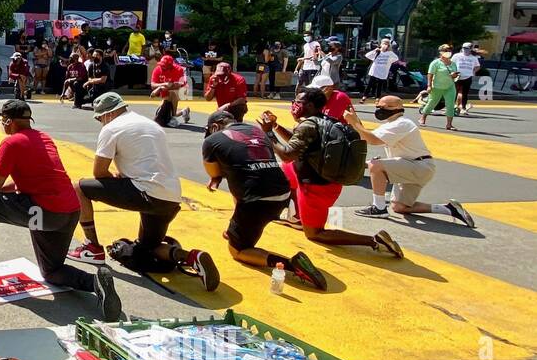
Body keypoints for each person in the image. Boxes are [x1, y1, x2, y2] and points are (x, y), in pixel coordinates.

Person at [0, 99, 121, 318]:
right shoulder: (43, 137)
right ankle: (96, 282)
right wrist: (13, 190)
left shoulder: (11, 143)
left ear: (8, 121)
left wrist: (3, 192)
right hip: (69, 211)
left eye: (2, 120)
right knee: (52, 271)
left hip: (44, 212)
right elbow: (40, 179)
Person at [69, 92, 219, 290]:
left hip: (145, 193)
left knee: (78, 187)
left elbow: (99, 172)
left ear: (106, 114)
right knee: (148, 248)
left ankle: (92, 246)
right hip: (171, 198)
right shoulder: (150, 125)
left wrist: (117, 176)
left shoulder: (111, 128)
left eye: (99, 118)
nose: (100, 122)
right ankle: (191, 257)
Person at [258, 89, 404, 257]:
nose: (293, 105)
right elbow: (298, 145)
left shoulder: (308, 125)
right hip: (326, 181)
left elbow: (286, 154)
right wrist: (276, 127)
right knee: (287, 171)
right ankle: (298, 217)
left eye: (297, 102)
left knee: (315, 233)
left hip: (316, 187)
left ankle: (374, 240)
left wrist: (268, 133)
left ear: (310, 105)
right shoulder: (324, 121)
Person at [202, 109, 327, 290]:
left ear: (215, 126)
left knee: (238, 250)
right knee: (239, 178)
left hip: (258, 202)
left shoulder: (212, 140)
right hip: (282, 194)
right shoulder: (257, 131)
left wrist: (216, 177)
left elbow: (213, 172)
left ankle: (292, 264)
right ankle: (236, 226)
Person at [346, 98, 475, 226]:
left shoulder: (401, 124)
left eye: (382, 108)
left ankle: (378, 208)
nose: (379, 111)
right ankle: (448, 209)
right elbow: (366, 135)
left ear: (395, 108)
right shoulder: (391, 124)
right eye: (378, 107)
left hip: (418, 166)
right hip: (415, 167)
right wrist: (356, 122)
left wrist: (354, 123)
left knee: (376, 165)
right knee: (399, 207)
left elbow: (373, 140)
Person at [420, 44, 459, 130]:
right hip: (437, 87)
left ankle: (449, 124)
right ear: (441, 52)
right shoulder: (436, 63)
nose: (448, 52)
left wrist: (454, 75)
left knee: (450, 105)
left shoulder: (453, 64)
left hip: (450, 86)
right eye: (446, 50)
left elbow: (455, 76)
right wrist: (429, 86)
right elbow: (430, 74)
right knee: (432, 103)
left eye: (449, 50)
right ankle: (422, 118)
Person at [150, 53, 191, 127]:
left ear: (170, 66)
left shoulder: (178, 69)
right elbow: (153, 85)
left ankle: (173, 117)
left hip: (182, 90)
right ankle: (183, 112)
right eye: (161, 64)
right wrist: (162, 86)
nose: (162, 67)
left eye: (164, 66)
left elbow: (177, 85)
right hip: (165, 89)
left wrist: (164, 87)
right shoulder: (157, 69)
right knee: (164, 111)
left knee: (172, 93)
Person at [451, 42, 482, 116]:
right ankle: (450, 107)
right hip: (457, 76)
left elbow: (478, 66)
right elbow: (451, 64)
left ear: (470, 49)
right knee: (453, 93)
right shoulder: (457, 56)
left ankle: (463, 108)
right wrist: (453, 72)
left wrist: (473, 71)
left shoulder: (473, 58)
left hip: (467, 77)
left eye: (467, 49)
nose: (465, 50)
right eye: (464, 48)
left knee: (465, 93)